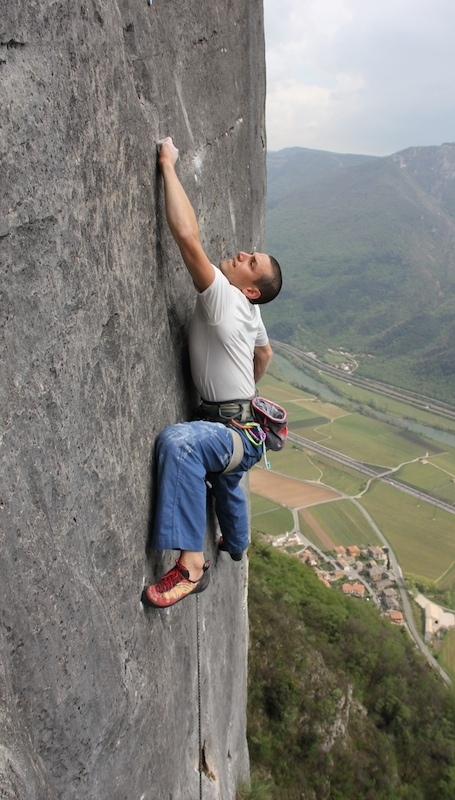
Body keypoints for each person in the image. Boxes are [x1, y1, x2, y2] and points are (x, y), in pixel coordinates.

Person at [145, 137, 282, 608]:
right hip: (241, 428)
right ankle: (238, 545)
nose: (243, 254)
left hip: (228, 430)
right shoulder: (251, 312)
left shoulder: (226, 296)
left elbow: (186, 238)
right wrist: (242, 394)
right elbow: (265, 356)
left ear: (251, 290)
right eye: (250, 252)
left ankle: (191, 566)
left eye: (252, 262)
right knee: (228, 481)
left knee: (179, 444)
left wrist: (167, 165)